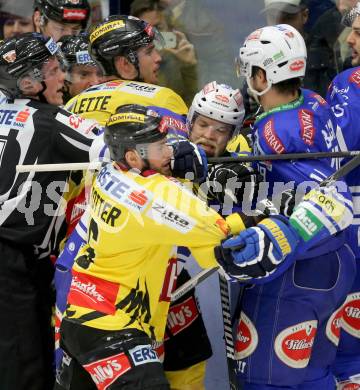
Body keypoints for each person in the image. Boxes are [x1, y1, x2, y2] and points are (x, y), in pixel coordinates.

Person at [55, 103, 301, 389]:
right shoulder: (157, 195)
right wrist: (270, 216)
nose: (169, 153)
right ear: (134, 156)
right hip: (113, 329)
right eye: (161, 148)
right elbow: (224, 250)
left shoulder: (110, 171)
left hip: (82, 315)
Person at [233, 23, 356, 389]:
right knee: (314, 375)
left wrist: (280, 237)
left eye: (249, 69)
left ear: (262, 74)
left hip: (300, 269)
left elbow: (330, 200)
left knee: (264, 380)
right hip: (337, 261)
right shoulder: (314, 101)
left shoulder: (278, 132)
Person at [0, 32, 100, 390]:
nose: (64, 78)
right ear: (28, 81)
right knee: (24, 369)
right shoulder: (49, 119)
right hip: (13, 260)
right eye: (55, 70)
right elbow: (116, 147)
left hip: (20, 259)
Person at [326, 3, 360, 388]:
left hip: (350, 236)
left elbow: (334, 161)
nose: (350, 39)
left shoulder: (350, 83)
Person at [130, 0, 198, 106]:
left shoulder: (181, 62)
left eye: (158, 28)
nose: (152, 36)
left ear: (169, 30)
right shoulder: (127, 63)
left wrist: (189, 67)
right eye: (144, 29)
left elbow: (194, 109)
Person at [58, 33, 104, 103]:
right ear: (65, 80)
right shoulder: (50, 113)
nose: (95, 83)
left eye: (100, 74)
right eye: (84, 75)